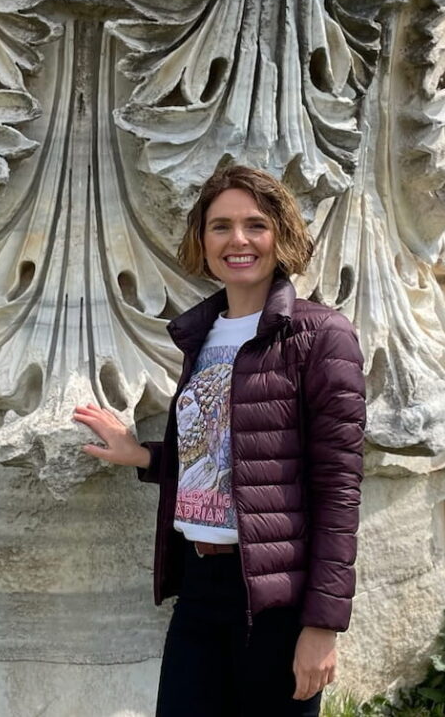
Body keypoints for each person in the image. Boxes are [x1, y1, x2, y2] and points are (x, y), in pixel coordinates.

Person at [74, 164, 366, 716]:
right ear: (201, 241)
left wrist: (323, 625)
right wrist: (142, 455)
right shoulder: (200, 335)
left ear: (281, 234)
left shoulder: (321, 336)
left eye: (255, 224)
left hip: (274, 602)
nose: (238, 240)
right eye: (220, 226)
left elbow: (338, 490)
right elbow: (231, 460)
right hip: (201, 585)